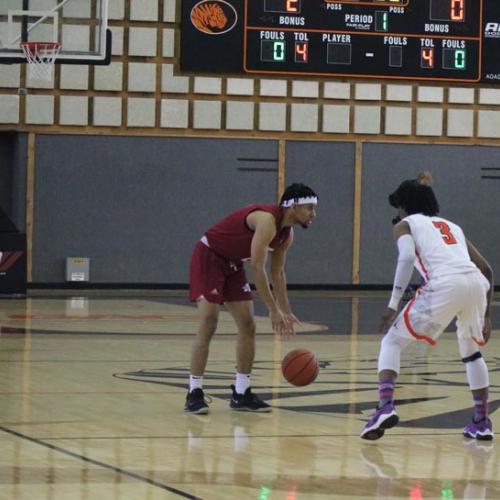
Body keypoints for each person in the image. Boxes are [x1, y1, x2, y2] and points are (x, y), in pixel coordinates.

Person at [361, 178, 493, 440]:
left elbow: (407, 257)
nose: (397, 213)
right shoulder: (452, 227)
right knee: (471, 353)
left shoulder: (406, 224)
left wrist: (392, 304)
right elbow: (487, 270)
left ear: (404, 206)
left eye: (398, 207)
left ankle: (385, 406)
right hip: (476, 285)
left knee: (392, 342)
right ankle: (481, 421)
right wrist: (486, 316)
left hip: (445, 284)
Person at [185, 183, 318, 414]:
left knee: (248, 325)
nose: (313, 214)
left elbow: (278, 273)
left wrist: (285, 310)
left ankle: (241, 392)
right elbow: (258, 267)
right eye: (309, 208)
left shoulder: (287, 234)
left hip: (233, 264)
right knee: (209, 322)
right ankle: (194, 392)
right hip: (210, 257)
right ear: (293, 206)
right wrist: (272, 309)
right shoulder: (267, 221)